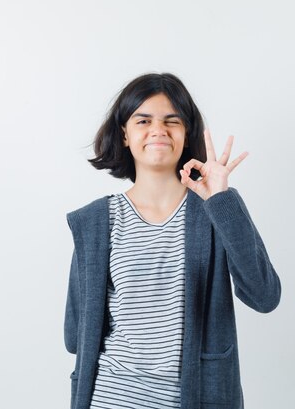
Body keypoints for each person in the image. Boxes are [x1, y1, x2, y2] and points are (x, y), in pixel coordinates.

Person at [63, 72, 282, 409]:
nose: (158, 130)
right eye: (143, 120)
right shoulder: (95, 221)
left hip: (196, 398)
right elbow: (75, 334)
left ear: (186, 133)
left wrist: (221, 200)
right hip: (111, 397)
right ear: (124, 134)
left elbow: (264, 296)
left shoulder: (216, 208)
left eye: (172, 120)